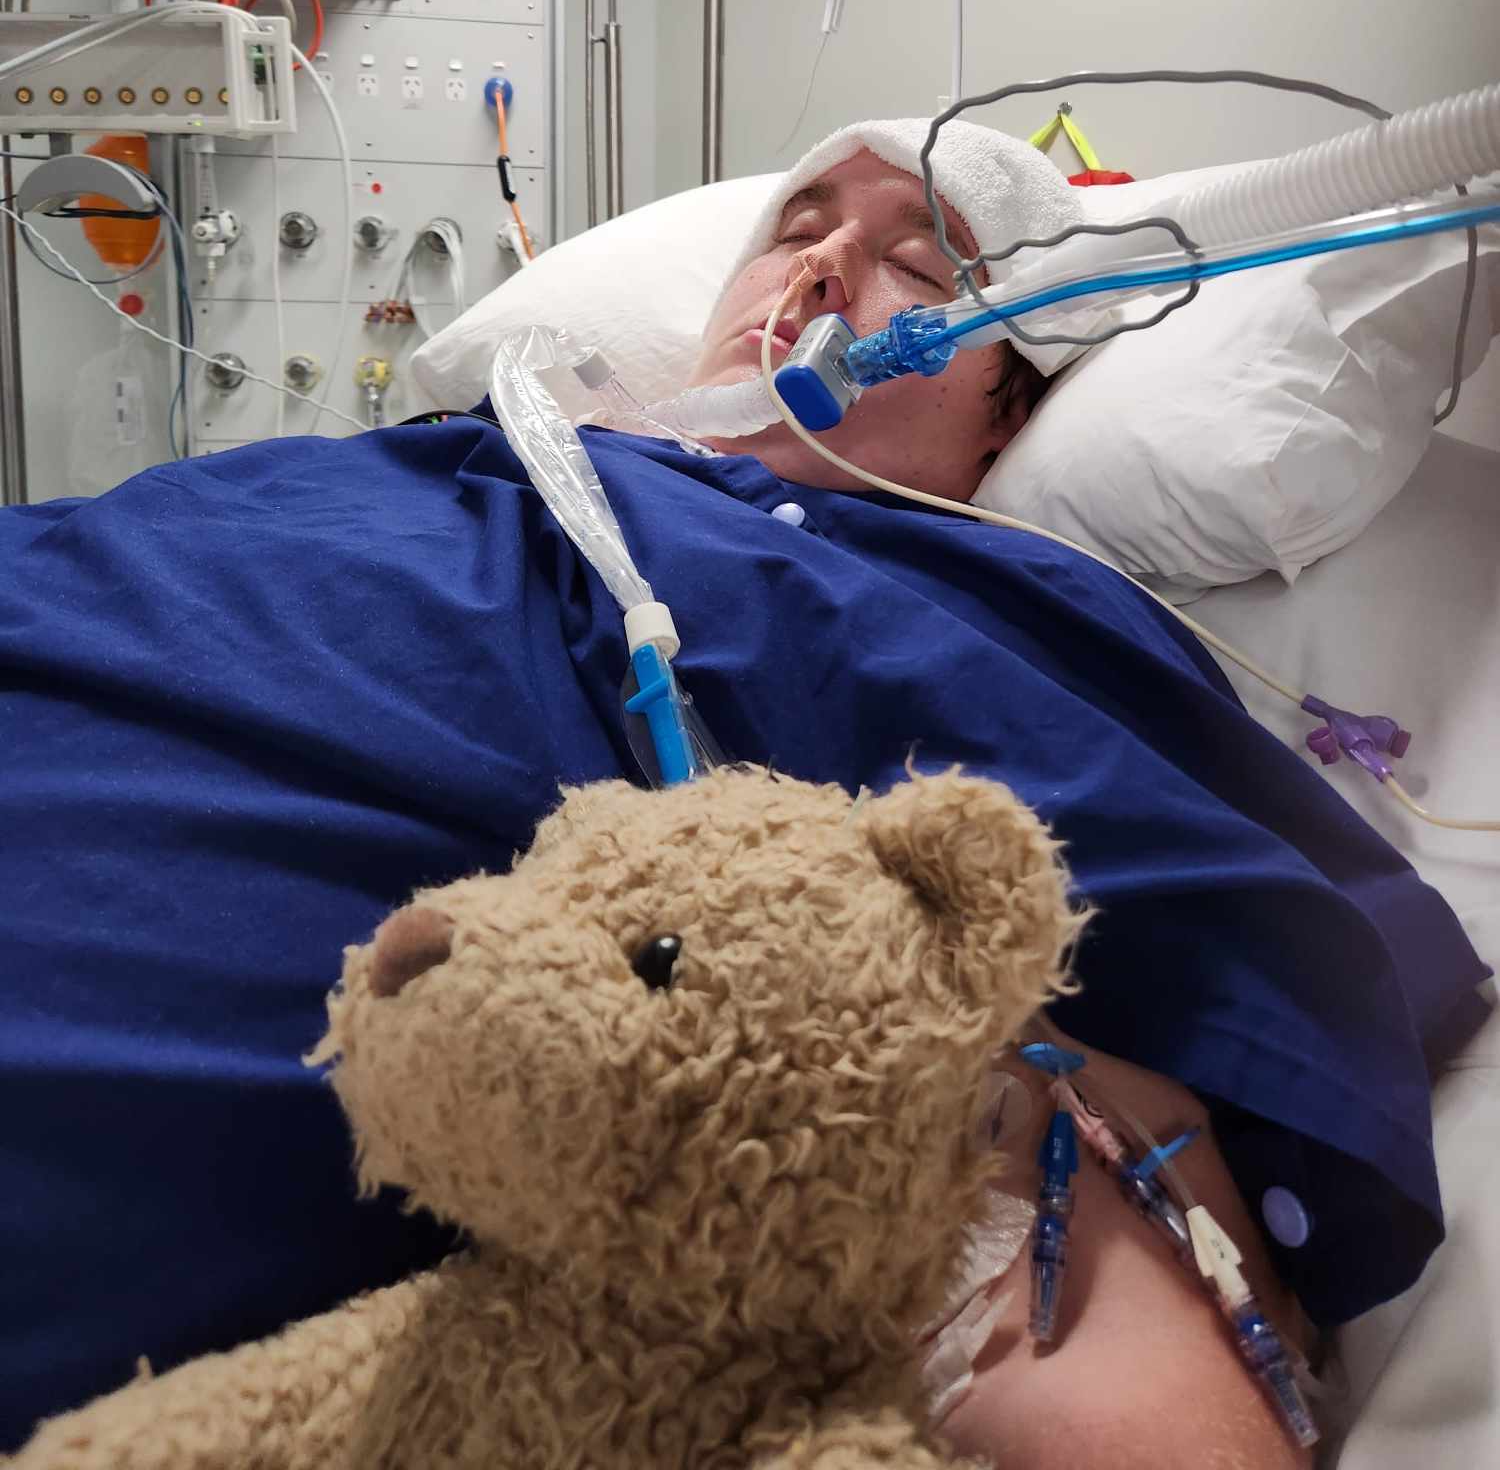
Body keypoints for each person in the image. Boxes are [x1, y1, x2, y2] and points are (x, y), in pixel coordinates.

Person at [0, 121, 1487, 1465]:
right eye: (796, 225)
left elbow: (1074, 1118)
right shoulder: (483, 456)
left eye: (914, 260)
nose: (826, 263)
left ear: (999, 411)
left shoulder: (939, 595)